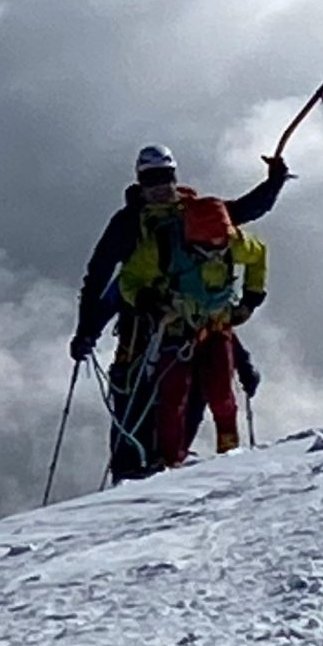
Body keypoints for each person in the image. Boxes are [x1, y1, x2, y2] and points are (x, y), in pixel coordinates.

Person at [70, 144, 289, 480]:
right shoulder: (129, 224)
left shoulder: (197, 215)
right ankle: (132, 473)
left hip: (189, 323)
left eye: (166, 177)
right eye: (151, 179)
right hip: (143, 325)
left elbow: (246, 211)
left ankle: (167, 467)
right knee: (135, 398)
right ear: (140, 181)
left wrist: (275, 181)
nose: (160, 186)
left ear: (175, 177)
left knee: (190, 397)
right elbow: (101, 277)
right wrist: (87, 329)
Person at [117, 193, 267, 468]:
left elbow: (258, 255)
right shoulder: (163, 245)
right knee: (173, 399)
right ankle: (169, 460)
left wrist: (251, 299)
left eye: (220, 247)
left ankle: (229, 454)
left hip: (215, 325)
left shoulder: (233, 242)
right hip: (175, 330)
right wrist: (151, 302)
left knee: (222, 394)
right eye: (207, 249)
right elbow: (129, 280)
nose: (215, 253)